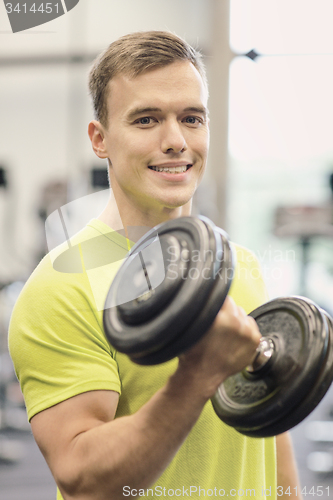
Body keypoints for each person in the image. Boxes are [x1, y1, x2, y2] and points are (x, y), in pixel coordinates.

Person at [9, 31, 301, 500]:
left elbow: (272, 435)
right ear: (100, 139)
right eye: (146, 120)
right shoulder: (60, 290)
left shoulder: (239, 265)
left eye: (191, 118)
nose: (175, 141)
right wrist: (197, 377)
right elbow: (84, 480)